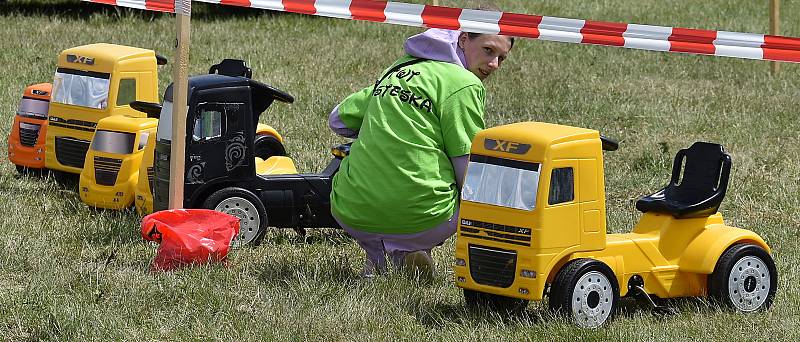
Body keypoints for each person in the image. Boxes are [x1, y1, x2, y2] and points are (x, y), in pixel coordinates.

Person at [329, 28, 514, 278]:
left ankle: (379, 258)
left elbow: (338, 120)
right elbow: (468, 165)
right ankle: (407, 249)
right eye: (488, 50)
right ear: (463, 39)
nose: (493, 64)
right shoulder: (464, 83)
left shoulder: (397, 70)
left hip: (350, 210)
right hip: (425, 217)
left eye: (501, 58)